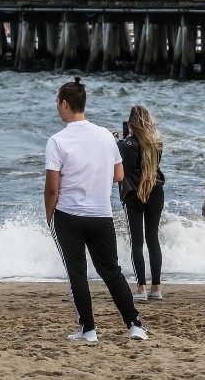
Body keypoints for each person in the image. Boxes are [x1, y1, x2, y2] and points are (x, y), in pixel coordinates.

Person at [45, 77, 148, 343]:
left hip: (69, 216)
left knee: (76, 273)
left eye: (58, 103)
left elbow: (52, 188)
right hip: (101, 215)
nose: (57, 107)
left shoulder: (57, 141)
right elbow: (118, 175)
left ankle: (89, 329)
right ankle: (135, 324)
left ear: (65, 104)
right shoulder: (105, 135)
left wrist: (49, 217)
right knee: (111, 270)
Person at [116, 106, 165, 302]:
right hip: (156, 191)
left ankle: (141, 289)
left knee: (136, 242)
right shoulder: (157, 144)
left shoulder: (126, 144)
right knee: (153, 239)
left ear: (132, 124)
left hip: (133, 194)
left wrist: (119, 140)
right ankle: (156, 288)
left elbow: (121, 168)